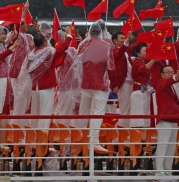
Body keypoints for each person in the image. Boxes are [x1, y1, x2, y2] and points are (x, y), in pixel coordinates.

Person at [76, 21, 113, 152]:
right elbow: (111, 66)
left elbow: (78, 62)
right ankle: (94, 140)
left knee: (83, 112)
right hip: (99, 83)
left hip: (86, 82)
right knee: (97, 112)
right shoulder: (106, 45)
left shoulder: (83, 44)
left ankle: (78, 138)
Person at [27, 26, 72, 131]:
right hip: (46, 86)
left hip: (35, 87)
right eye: (46, 41)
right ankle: (42, 140)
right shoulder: (48, 52)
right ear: (43, 43)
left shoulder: (31, 54)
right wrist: (69, 34)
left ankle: (33, 140)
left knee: (35, 113)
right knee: (45, 113)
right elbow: (64, 47)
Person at [153, 65, 179, 179]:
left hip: (173, 119)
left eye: (172, 72)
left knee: (170, 148)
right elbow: (167, 83)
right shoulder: (160, 83)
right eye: (168, 72)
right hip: (165, 119)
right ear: (162, 74)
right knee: (163, 146)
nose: (171, 74)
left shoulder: (171, 86)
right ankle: (159, 173)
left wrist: (176, 78)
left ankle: (168, 173)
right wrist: (175, 77)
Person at [107, 31, 135, 127]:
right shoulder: (114, 52)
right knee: (125, 109)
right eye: (122, 39)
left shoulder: (125, 51)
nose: (124, 40)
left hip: (131, 82)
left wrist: (141, 40)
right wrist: (127, 41)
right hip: (124, 82)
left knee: (130, 109)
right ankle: (123, 133)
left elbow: (130, 47)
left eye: (124, 38)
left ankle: (125, 131)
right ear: (115, 41)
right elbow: (120, 52)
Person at [130, 43, 155, 134]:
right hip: (138, 92)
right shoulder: (137, 61)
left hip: (144, 91)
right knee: (138, 118)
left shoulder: (142, 61)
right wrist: (153, 61)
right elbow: (142, 69)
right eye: (145, 51)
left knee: (144, 116)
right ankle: (136, 139)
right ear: (138, 53)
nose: (147, 53)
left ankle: (143, 140)